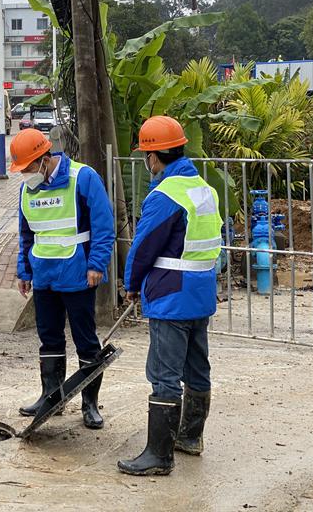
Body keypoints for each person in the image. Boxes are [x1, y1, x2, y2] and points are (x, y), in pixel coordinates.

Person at [117, 116, 222, 476]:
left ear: (154, 156)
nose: (147, 163)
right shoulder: (205, 190)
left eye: (146, 155)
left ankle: (159, 455)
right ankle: (190, 437)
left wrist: (131, 283)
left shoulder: (164, 195)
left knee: (164, 374)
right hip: (200, 294)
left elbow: (144, 246)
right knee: (197, 367)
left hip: (171, 297)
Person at [11, 129, 115, 429]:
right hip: (44, 276)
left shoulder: (83, 178)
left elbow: (103, 226)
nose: (25, 175)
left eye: (28, 168)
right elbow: (26, 234)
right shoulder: (27, 190)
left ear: (44, 160)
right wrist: (24, 271)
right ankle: (51, 396)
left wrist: (96, 264)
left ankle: (89, 403)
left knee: (85, 340)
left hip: (78, 274)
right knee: (49, 338)